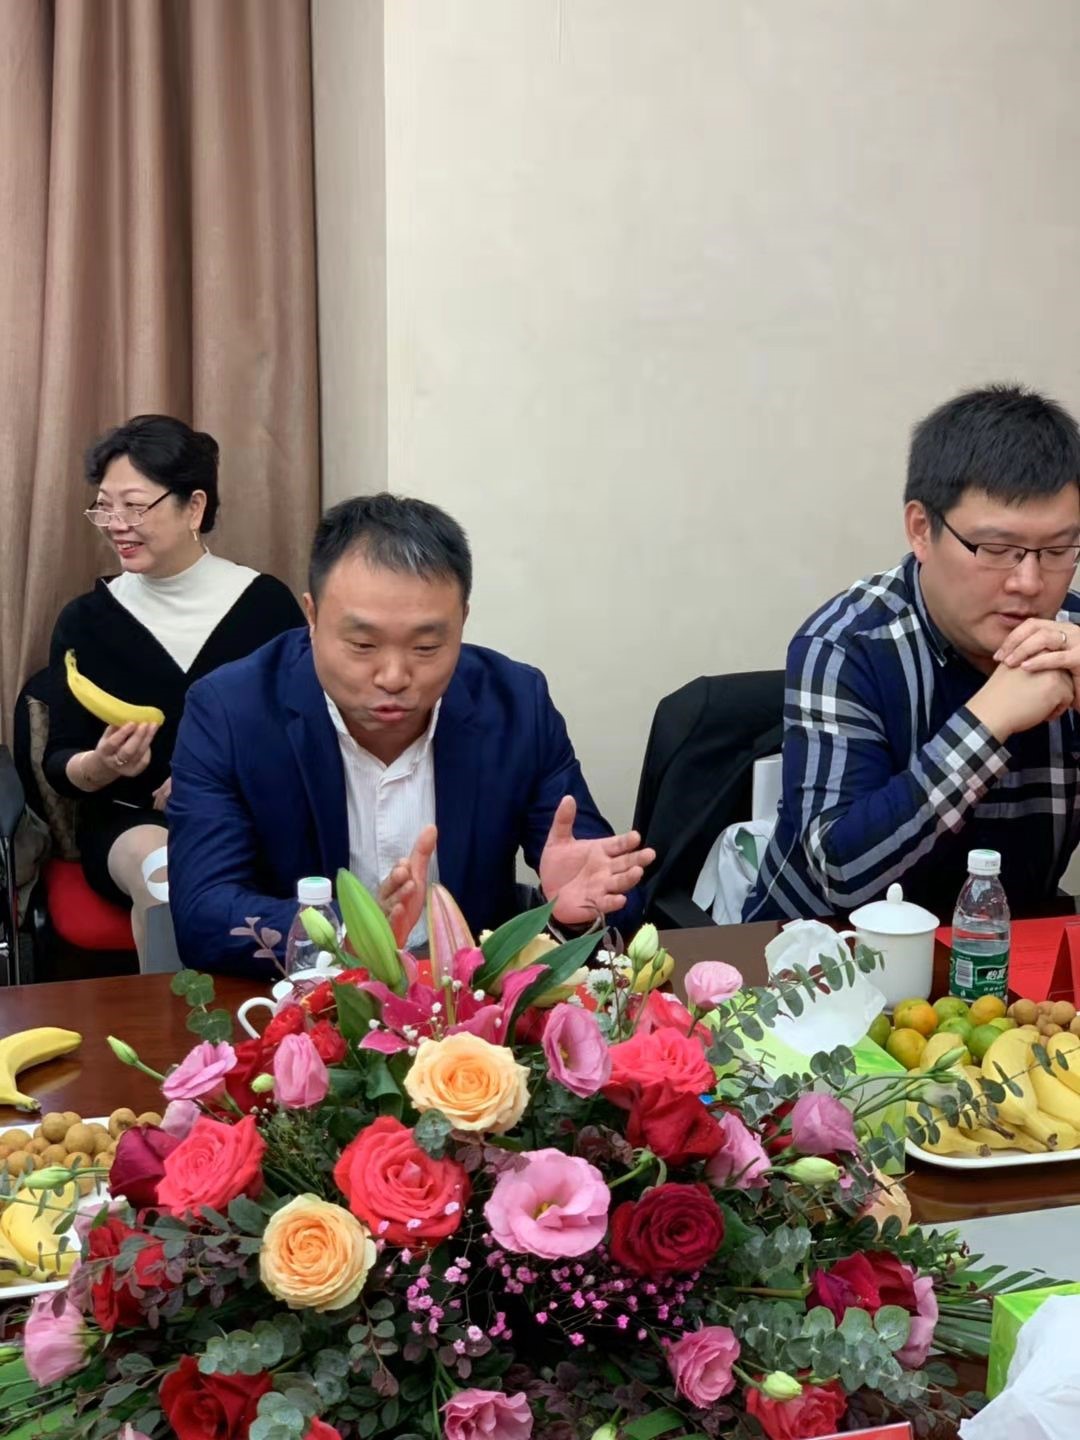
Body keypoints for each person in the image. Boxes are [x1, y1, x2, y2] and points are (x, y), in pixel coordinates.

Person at [168, 493, 653, 974]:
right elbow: (204, 914)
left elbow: (608, 887)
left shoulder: (515, 705)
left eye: (425, 647)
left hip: (468, 1001)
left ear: (462, 621)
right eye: (363, 644)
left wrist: (575, 912)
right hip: (307, 1001)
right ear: (311, 616)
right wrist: (352, 935)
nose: (394, 676)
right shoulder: (231, 713)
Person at [744, 383, 1080, 924]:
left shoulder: (1072, 638)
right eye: (997, 549)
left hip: (1010, 951)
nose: (1029, 581)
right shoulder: (846, 645)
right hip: (824, 955)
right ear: (922, 530)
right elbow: (842, 875)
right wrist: (987, 722)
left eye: (1059, 550)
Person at [43, 415, 305, 966]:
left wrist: (205, 781)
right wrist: (102, 764)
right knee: (166, 881)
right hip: (132, 820)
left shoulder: (265, 607)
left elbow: (302, 734)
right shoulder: (87, 621)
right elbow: (60, 763)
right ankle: (182, 1023)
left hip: (249, 814)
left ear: (194, 507)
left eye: (135, 506)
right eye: (104, 507)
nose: (116, 524)